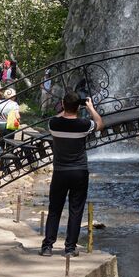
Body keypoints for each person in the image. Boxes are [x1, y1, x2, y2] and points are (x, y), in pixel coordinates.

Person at [41, 93, 103, 257]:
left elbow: (59, 116)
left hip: (60, 172)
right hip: (79, 172)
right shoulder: (84, 124)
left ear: (62, 104)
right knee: (76, 210)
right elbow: (99, 123)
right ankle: (69, 248)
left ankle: (47, 246)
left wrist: (66, 107)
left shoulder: (54, 123)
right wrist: (90, 108)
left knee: (54, 209)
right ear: (78, 107)